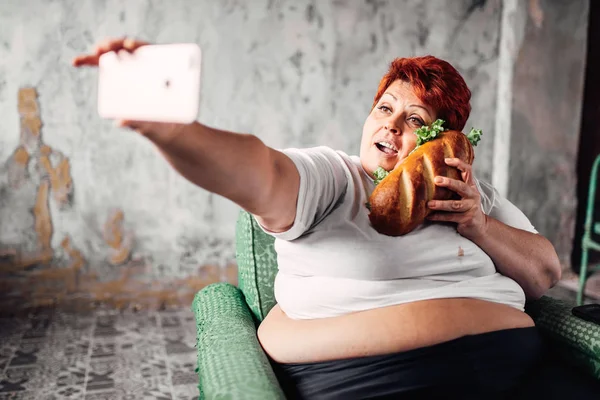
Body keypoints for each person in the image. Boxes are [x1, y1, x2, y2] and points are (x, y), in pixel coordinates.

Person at [74, 38, 562, 399]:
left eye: (414, 119)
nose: (390, 124)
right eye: (384, 108)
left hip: (514, 373)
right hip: (370, 382)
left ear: (440, 138)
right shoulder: (337, 178)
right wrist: (173, 130)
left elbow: (544, 275)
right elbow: (261, 172)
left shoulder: (475, 197)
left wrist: (478, 224)